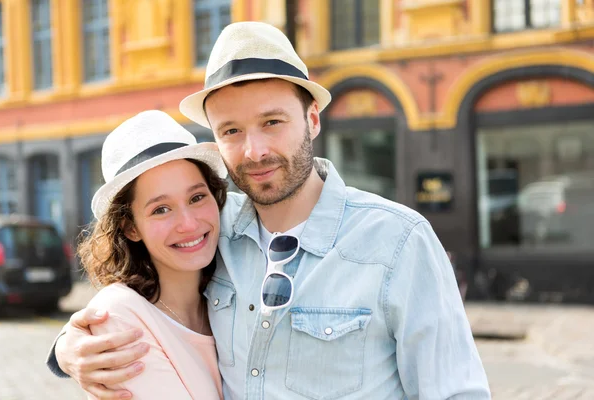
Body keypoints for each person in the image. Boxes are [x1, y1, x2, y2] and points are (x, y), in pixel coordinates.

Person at [47, 22, 491, 400]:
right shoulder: (211, 232)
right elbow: (142, 298)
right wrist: (67, 350)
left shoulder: (398, 243)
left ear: (312, 119)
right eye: (232, 130)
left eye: (272, 122)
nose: (254, 151)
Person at [67, 109, 228, 399]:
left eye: (196, 197)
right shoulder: (119, 316)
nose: (189, 224)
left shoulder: (232, 293)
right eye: (160, 209)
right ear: (131, 228)